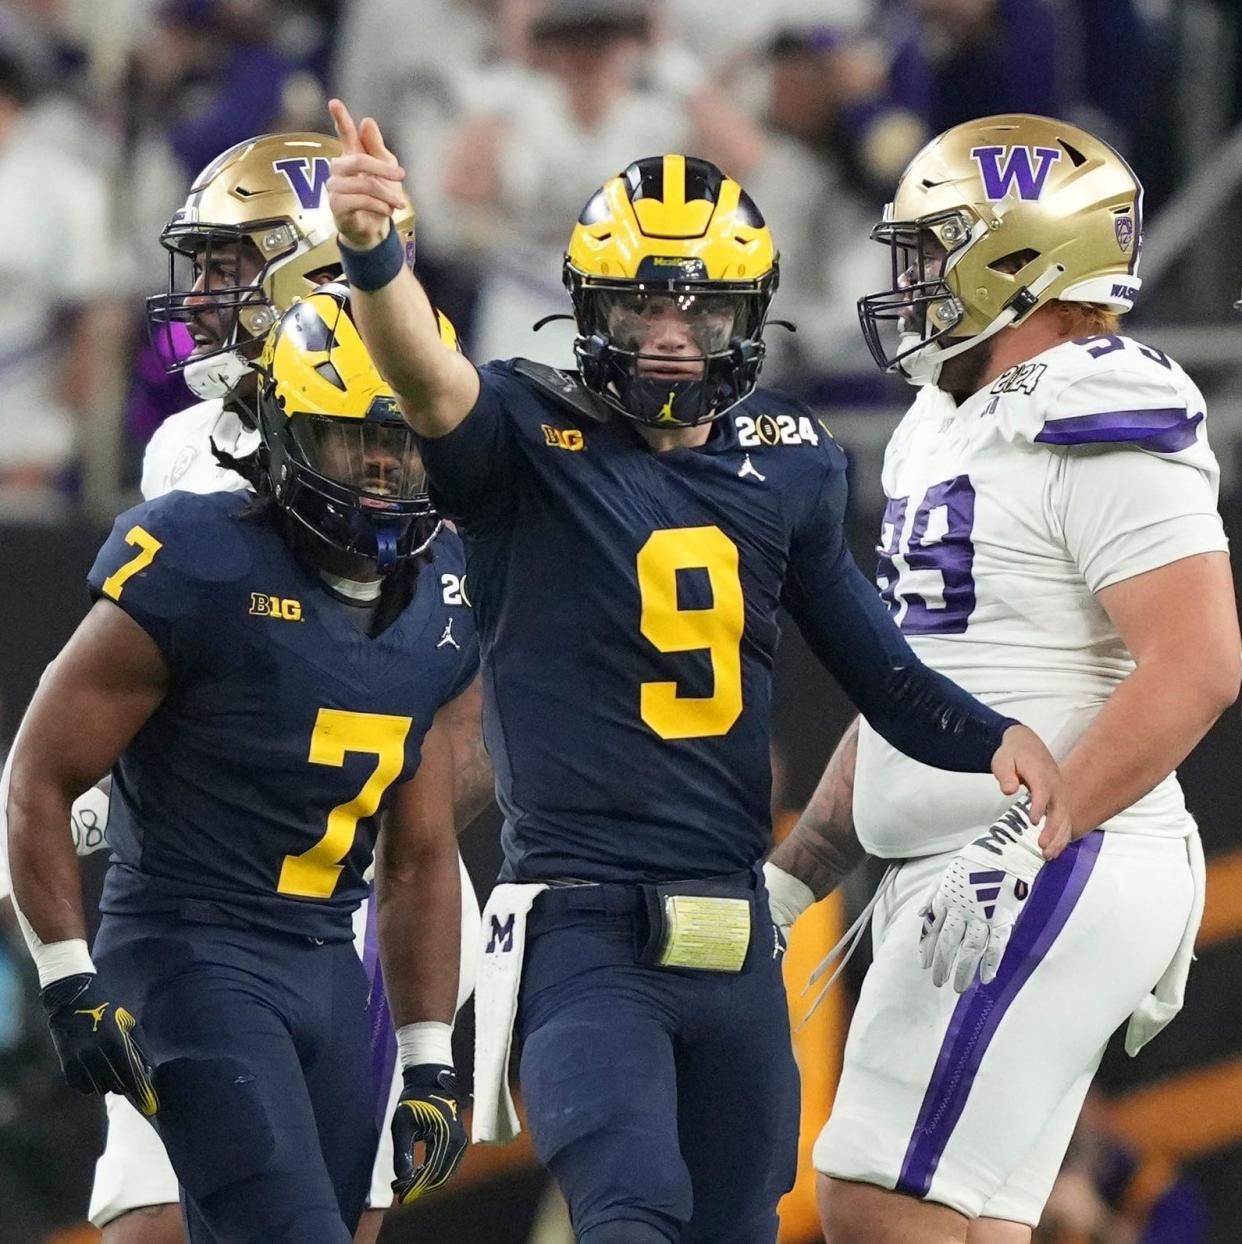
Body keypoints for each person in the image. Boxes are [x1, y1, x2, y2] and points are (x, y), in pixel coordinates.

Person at [323, 99, 1070, 1243]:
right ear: (592, 310)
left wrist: (993, 737)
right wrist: (377, 258)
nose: (673, 332)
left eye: (704, 305)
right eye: (643, 302)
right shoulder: (527, 436)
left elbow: (882, 668)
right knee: (628, 1210)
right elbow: (428, 381)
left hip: (732, 931)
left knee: (739, 1224)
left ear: (749, 318)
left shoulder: (791, 463)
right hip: (582, 924)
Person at [0, 130, 489, 1244]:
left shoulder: (436, 434)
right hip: (195, 913)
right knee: (156, 1211)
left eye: (232, 264)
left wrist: (320, 805)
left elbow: (444, 727)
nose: (205, 294)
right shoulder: (191, 445)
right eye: (207, 263)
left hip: (349, 909)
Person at [764, 113, 1240, 1244]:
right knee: (955, 1214)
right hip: (988, 862)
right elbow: (913, 687)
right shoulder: (951, 418)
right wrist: (793, 876)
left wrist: (1035, 839)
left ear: (1022, 262)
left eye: (937, 249)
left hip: (1046, 857)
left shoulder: (1097, 395)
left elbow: (1202, 660)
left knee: (880, 1198)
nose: (913, 279)